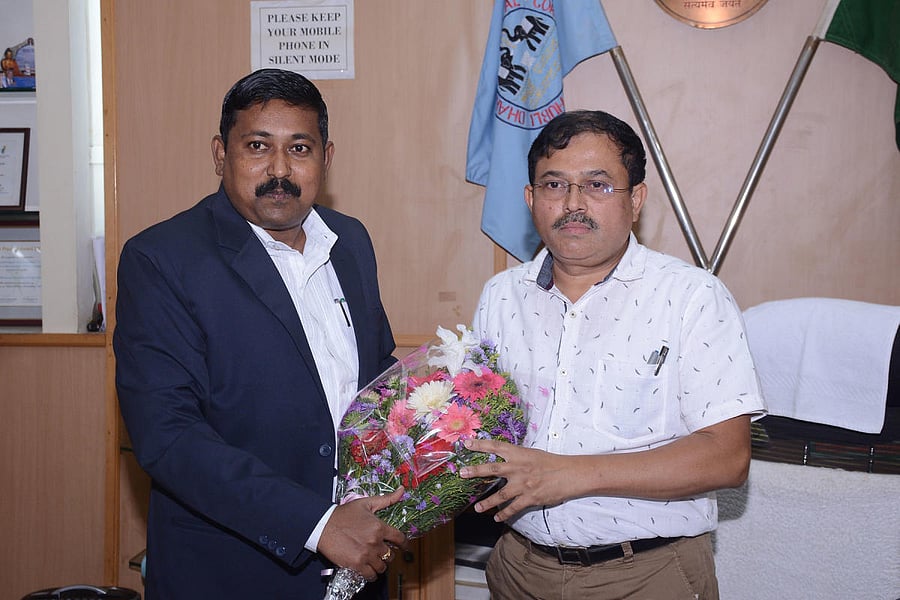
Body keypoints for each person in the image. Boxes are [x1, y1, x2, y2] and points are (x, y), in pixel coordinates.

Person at [114, 68, 406, 599]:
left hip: (361, 562)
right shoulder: (162, 259)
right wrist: (319, 525)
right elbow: (169, 436)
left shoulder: (351, 241)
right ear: (220, 155)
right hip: (232, 570)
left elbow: (376, 376)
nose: (279, 169)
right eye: (256, 146)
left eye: (299, 147)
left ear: (327, 157)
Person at [460, 110, 766, 599]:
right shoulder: (500, 296)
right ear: (530, 198)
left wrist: (568, 475)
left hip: (645, 574)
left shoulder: (692, 297)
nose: (574, 204)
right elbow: (474, 423)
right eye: (554, 185)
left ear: (637, 199)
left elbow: (728, 458)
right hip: (518, 568)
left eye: (598, 186)